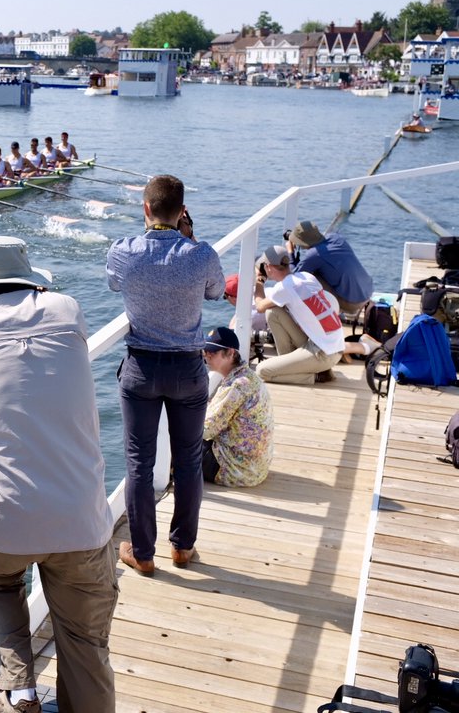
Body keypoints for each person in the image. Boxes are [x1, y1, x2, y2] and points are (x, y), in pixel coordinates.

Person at [0, 236, 118, 713]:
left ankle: (19, 689)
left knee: (1, 580)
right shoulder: (67, 309)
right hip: (81, 521)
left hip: (2, 526)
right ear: (33, 281)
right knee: (84, 643)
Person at [106, 174, 224, 575]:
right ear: (182, 212)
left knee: (140, 463)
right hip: (189, 369)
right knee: (188, 459)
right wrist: (189, 241)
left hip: (141, 368)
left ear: (146, 208)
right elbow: (215, 292)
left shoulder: (124, 251)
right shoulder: (200, 253)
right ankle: (182, 548)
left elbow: (111, 283)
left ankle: (142, 553)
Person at [252, 245, 344, 385]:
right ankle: (288, 364)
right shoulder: (307, 277)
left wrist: (259, 280)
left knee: (261, 371)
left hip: (323, 354)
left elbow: (259, 307)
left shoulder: (284, 288)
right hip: (332, 346)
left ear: (268, 267)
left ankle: (317, 377)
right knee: (273, 312)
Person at [201, 326, 274, 487]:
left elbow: (207, 430)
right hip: (256, 467)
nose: (207, 356)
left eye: (213, 352)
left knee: (179, 440)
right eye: (206, 351)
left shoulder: (236, 386)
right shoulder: (247, 376)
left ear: (231, 353)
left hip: (236, 469)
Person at [285, 220, 373, 318]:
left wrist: (290, 253)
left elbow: (293, 277)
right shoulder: (336, 238)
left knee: (310, 276)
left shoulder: (314, 254)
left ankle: (334, 310)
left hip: (353, 304)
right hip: (368, 292)